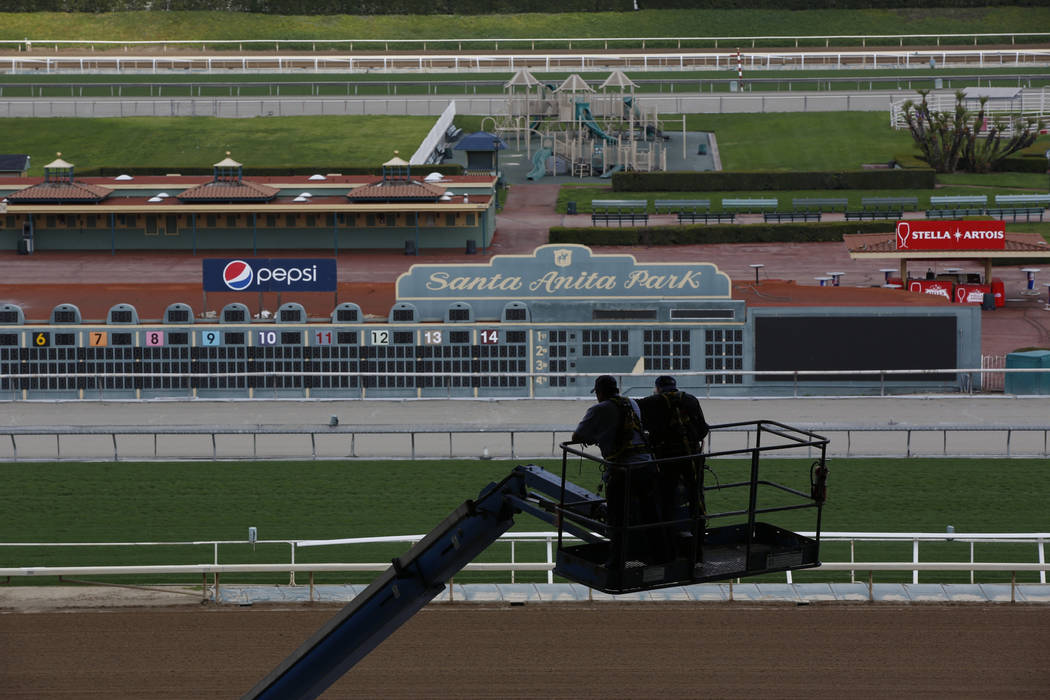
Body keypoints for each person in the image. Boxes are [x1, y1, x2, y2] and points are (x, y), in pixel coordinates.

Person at [571, 375, 665, 567]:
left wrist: (596, 436)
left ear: (599, 392)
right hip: (646, 466)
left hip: (622, 470)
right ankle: (661, 555)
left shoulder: (599, 409)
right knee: (650, 514)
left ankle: (616, 561)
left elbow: (577, 436)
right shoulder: (633, 404)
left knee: (617, 518)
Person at [638, 375, 709, 562]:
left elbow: (643, 429)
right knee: (697, 502)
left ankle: (668, 551)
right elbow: (702, 430)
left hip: (666, 461)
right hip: (692, 459)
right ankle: (698, 549)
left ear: (658, 388)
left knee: (666, 504)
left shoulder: (650, 402)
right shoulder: (690, 399)